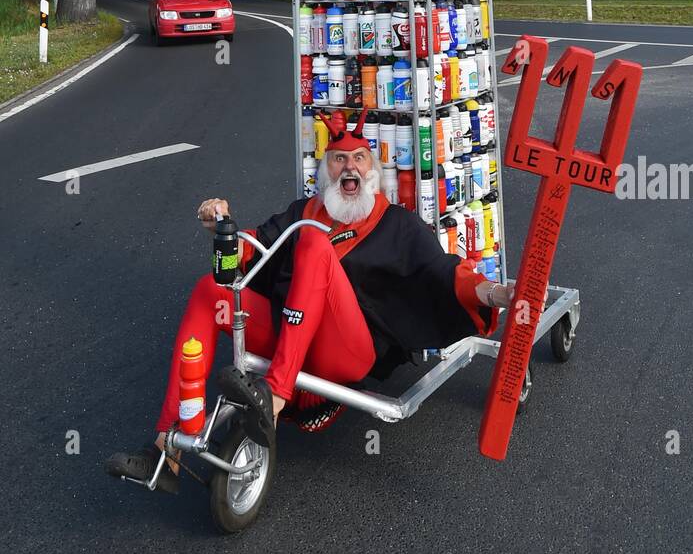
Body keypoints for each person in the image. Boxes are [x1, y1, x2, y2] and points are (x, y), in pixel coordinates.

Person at [105, 109, 514, 492]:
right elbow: (254, 250)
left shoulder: (399, 225)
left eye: (358, 158)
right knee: (209, 291)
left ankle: (276, 398)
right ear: (325, 170)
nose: (349, 167)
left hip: (348, 352)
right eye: (338, 159)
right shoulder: (304, 211)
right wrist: (222, 227)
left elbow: (445, 273)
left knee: (314, 246)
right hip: (292, 332)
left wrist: (495, 293)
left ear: (373, 171)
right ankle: (170, 447)